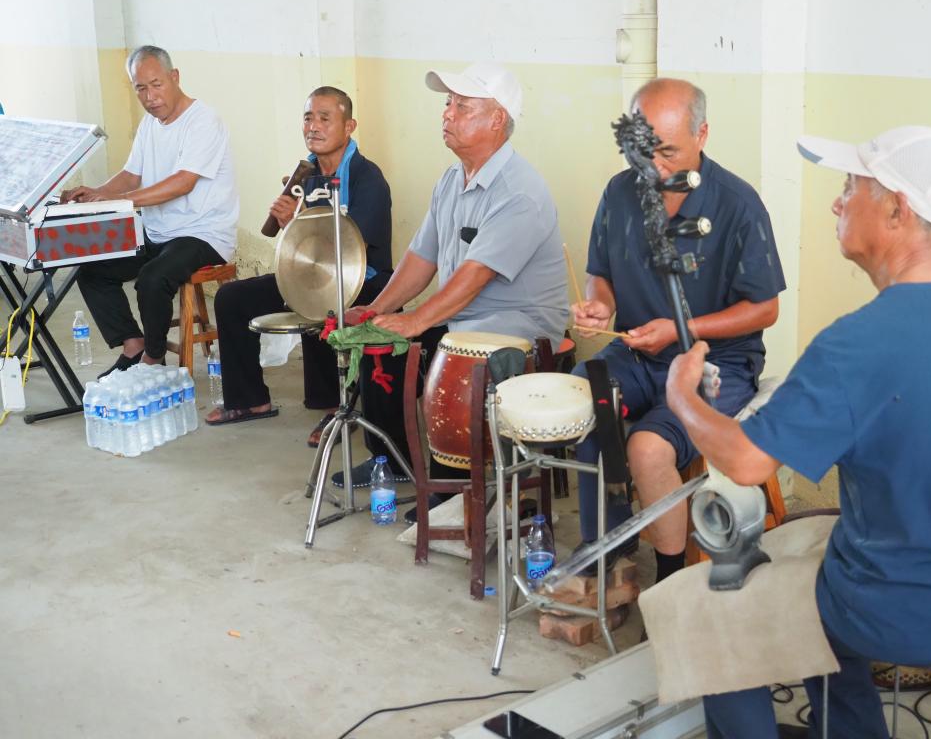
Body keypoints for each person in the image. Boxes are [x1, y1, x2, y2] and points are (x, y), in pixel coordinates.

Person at [666, 126, 931, 738]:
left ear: (897, 210)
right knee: (815, 546)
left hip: (906, 609)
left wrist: (682, 398)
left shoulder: (857, 342)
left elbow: (746, 463)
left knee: (705, 605)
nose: (837, 202)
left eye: (850, 187)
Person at [571, 78, 785, 579]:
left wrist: (680, 328)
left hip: (715, 363)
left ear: (702, 135)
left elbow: (765, 308)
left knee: (647, 448)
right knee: (583, 397)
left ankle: (669, 580)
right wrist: (600, 305)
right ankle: (609, 552)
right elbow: (600, 273)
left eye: (667, 152)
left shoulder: (736, 204)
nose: (652, 166)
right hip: (637, 355)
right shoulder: (620, 192)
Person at [348, 61, 568, 502]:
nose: (447, 113)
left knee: (450, 355)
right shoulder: (451, 180)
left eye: (462, 107)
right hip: (464, 317)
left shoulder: (519, 191)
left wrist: (416, 321)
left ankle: (451, 495)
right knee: (379, 340)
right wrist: (378, 310)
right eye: (449, 104)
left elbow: (475, 276)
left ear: (497, 119)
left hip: (518, 325)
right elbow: (420, 257)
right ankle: (391, 461)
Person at [204, 87, 398, 456]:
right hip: (313, 275)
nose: (314, 126)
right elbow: (298, 247)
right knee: (232, 298)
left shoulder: (367, 177)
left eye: (325, 118)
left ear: (349, 126)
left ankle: (334, 408)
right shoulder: (305, 174)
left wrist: (299, 219)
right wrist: (290, 221)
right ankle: (249, 399)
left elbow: (350, 245)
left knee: (317, 302)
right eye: (308, 118)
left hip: (364, 280)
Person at [62, 45, 238, 377]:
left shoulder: (203, 121)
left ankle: (154, 359)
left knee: (153, 278)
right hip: (158, 231)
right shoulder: (150, 124)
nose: (150, 96)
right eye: (140, 88)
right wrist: (97, 192)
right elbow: (132, 174)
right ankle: (133, 344)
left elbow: (183, 182)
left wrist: (123, 201)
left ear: (175, 77)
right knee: (93, 271)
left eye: (157, 85)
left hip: (203, 233)